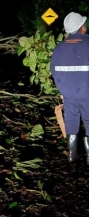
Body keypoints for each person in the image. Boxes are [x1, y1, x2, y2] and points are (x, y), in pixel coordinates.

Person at [50, 12, 89, 164]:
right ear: (82, 28)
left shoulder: (59, 48)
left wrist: (64, 89)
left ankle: (72, 156)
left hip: (68, 93)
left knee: (71, 120)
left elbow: (54, 70)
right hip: (87, 92)